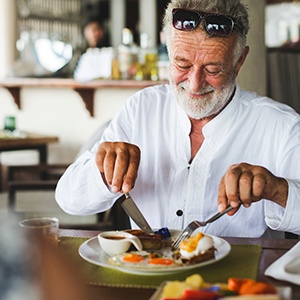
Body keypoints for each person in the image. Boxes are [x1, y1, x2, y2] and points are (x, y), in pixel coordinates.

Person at [56, 0, 300, 238]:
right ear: (168, 52)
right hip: (149, 272)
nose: (194, 83)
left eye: (213, 70)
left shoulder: (280, 125)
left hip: (238, 278)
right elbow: (68, 199)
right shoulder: (142, 109)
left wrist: (277, 189)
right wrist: (105, 170)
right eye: (182, 64)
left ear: (239, 62)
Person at [73, 16, 112, 82]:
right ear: (85, 31)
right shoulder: (80, 54)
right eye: (92, 30)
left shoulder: (109, 53)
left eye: (98, 29)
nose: (95, 34)